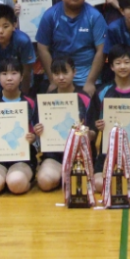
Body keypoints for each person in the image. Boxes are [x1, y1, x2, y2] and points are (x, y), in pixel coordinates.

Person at [88, 45, 130, 194]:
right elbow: (91, 129)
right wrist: (98, 127)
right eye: (118, 63)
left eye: (126, 62)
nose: (122, 66)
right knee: (98, 185)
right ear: (111, 66)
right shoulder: (101, 92)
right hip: (108, 152)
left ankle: (124, 174)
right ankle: (122, 175)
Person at [36, 0, 107, 96]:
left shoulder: (95, 16)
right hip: (58, 76)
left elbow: (101, 50)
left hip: (86, 79)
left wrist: (90, 82)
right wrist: (53, 80)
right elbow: (42, 47)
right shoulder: (50, 15)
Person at [34, 57, 93, 192]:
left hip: (79, 156)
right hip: (54, 156)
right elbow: (38, 133)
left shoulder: (85, 98)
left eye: (65, 72)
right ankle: (61, 175)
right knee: (44, 181)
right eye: (56, 73)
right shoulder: (45, 100)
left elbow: (93, 134)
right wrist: (38, 131)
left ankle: (66, 175)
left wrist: (84, 133)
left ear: (74, 72)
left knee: (79, 184)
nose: (61, 77)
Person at [0, 58, 38, 195]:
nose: (9, 78)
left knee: (16, 182)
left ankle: (20, 180)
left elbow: (36, 131)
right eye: (4, 74)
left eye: (14, 73)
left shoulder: (31, 102)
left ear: (22, 77)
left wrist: (32, 137)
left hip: (22, 157)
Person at [23, 0, 62, 93]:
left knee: (51, 89)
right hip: (31, 52)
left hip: (52, 51)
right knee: (31, 90)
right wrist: (16, 15)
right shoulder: (21, 2)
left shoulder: (56, 0)